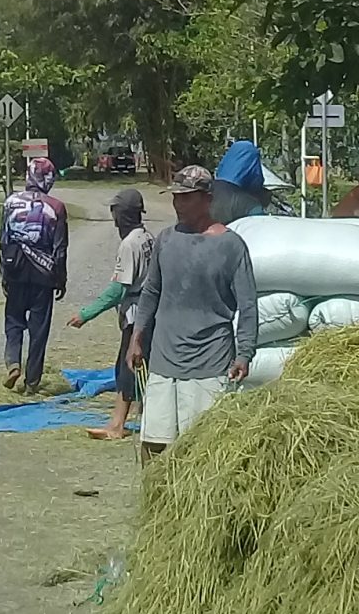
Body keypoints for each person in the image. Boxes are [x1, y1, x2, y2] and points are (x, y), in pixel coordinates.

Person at [129, 164, 258, 454]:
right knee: (154, 444)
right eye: (176, 197)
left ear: (207, 199)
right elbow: (151, 291)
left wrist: (244, 353)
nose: (178, 204)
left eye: (186, 198)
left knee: (201, 448)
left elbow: (248, 305)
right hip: (164, 361)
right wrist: (137, 336)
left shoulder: (231, 246)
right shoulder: (166, 239)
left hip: (209, 363)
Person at [70, 187, 152, 440]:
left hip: (136, 314)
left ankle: (117, 425)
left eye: (115, 212)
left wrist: (86, 314)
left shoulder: (129, 245)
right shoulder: (147, 237)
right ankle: (146, 417)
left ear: (122, 214)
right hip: (150, 311)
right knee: (144, 367)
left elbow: (118, 289)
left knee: (126, 368)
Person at [0, 157, 70, 392]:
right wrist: (61, 279)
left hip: (15, 270)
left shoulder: (10, 202)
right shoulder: (56, 207)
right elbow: (60, 248)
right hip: (44, 275)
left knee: (13, 321)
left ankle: (13, 362)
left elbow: (3, 240)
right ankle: (32, 382)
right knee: (39, 331)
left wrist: (4, 274)